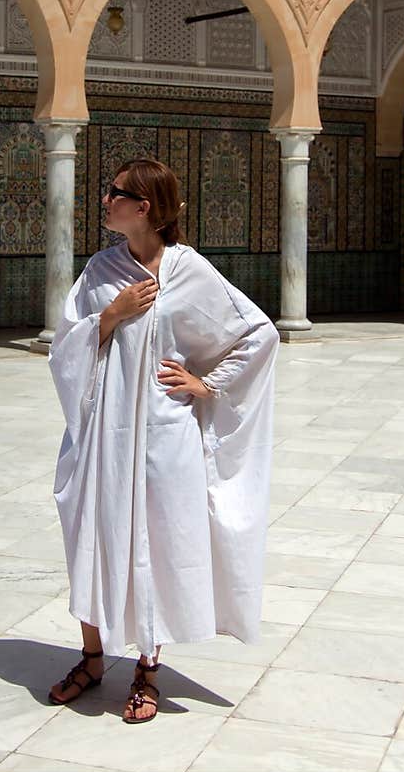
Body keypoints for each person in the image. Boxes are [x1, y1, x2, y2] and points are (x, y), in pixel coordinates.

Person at [47, 157, 278, 724]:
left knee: (154, 543)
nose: (105, 200)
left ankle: (148, 670)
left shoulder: (188, 271)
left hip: (163, 436)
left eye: (115, 192)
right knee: (94, 538)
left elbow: (258, 333)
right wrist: (110, 315)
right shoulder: (102, 271)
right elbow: (64, 346)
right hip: (105, 435)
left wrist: (205, 384)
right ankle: (93, 658)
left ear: (143, 206)